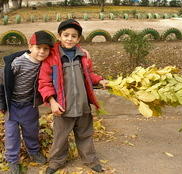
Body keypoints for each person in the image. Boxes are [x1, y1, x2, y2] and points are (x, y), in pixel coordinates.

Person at [38, 19, 108, 174]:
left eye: (74, 36)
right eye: (66, 35)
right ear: (59, 36)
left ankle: (90, 160)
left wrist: (100, 80)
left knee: (85, 135)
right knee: (60, 137)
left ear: (79, 39)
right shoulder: (52, 58)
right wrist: (52, 102)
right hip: (63, 107)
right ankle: (56, 162)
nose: (69, 39)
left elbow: (89, 75)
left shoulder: (82, 55)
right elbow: (44, 82)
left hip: (83, 105)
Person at [0, 30, 54, 174]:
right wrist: (2, 103)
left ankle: (34, 152)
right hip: (12, 106)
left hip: (29, 105)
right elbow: (3, 83)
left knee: (32, 131)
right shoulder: (17, 63)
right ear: (30, 46)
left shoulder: (45, 64)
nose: (42, 52)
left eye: (46, 49)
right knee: (12, 134)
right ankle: (12, 159)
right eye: (38, 47)